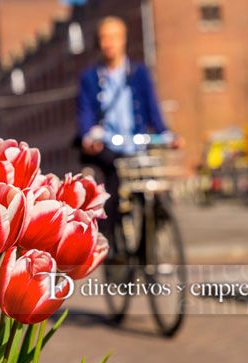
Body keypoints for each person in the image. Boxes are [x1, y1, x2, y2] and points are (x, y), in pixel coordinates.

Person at [76, 16, 175, 246]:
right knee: (114, 185)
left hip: (136, 144)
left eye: (114, 37)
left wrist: (167, 134)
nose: (108, 42)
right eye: (103, 38)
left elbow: (153, 108)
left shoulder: (138, 73)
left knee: (154, 185)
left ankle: (152, 235)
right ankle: (110, 243)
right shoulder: (90, 78)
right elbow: (85, 112)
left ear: (123, 40)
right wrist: (88, 136)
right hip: (108, 146)